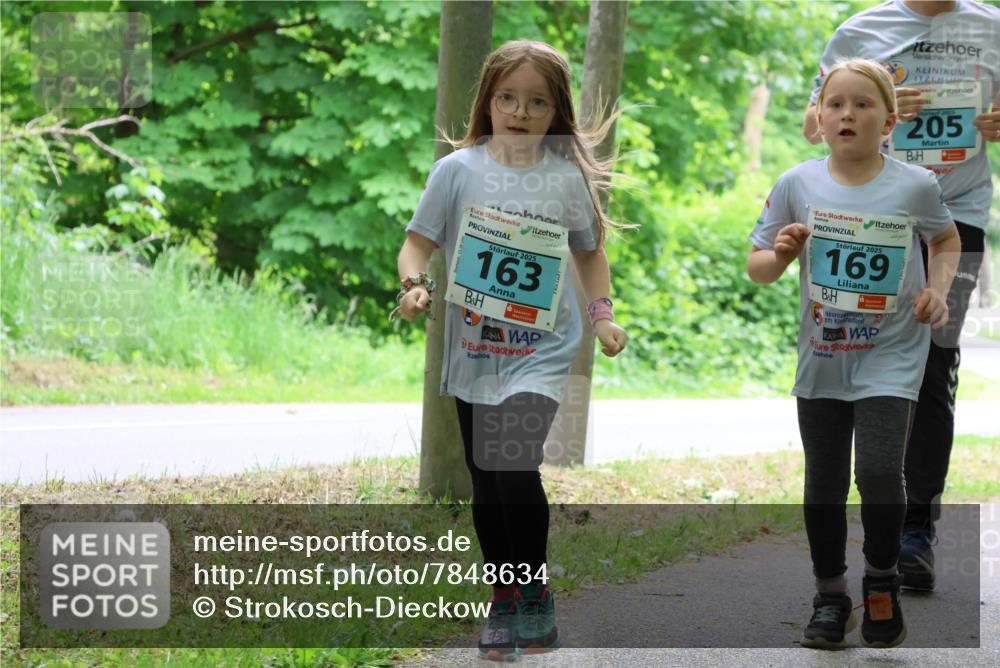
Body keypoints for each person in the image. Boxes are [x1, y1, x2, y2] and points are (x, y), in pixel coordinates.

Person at [394, 40, 629, 660]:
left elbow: (589, 251)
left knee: (513, 466)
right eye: (507, 98)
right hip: (474, 352)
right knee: (485, 481)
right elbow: (416, 244)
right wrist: (413, 286)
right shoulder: (458, 171)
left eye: (536, 102)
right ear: (487, 102)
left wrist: (602, 318)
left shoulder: (564, 178)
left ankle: (534, 592)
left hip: (542, 353)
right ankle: (506, 596)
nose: (519, 111)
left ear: (556, 112)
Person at [750, 59, 960, 649]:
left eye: (863, 105)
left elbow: (945, 239)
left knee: (875, 471)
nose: (848, 114)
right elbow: (759, 266)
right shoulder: (797, 183)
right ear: (818, 118)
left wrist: (936, 290)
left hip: (892, 355)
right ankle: (830, 595)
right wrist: (785, 253)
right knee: (823, 480)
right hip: (823, 357)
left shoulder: (914, 185)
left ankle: (881, 585)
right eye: (835, 103)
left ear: (889, 120)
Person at [802, 0, 1000, 592]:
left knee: (934, 359)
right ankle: (868, 510)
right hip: (870, 211)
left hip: (956, 218)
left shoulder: (993, 26)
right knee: (854, 349)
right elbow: (814, 123)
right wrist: (871, 109)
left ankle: (915, 531)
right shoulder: (861, 30)